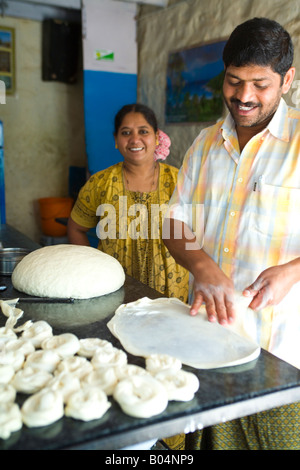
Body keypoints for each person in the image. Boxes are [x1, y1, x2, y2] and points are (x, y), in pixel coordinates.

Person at [163, 17, 300, 450]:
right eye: (234, 81)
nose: (243, 97)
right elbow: (172, 221)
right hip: (208, 336)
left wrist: (294, 271)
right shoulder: (205, 144)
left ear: (287, 79)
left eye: (260, 84)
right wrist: (201, 264)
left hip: (281, 353)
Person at [68, 103, 188, 303]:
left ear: (157, 137)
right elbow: (76, 228)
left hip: (172, 292)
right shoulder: (100, 183)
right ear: (116, 139)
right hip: (115, 291)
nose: (135, 139)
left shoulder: (180, 182)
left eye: (143, 131)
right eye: (126, 132)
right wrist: (94, 268)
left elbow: (199, 235)